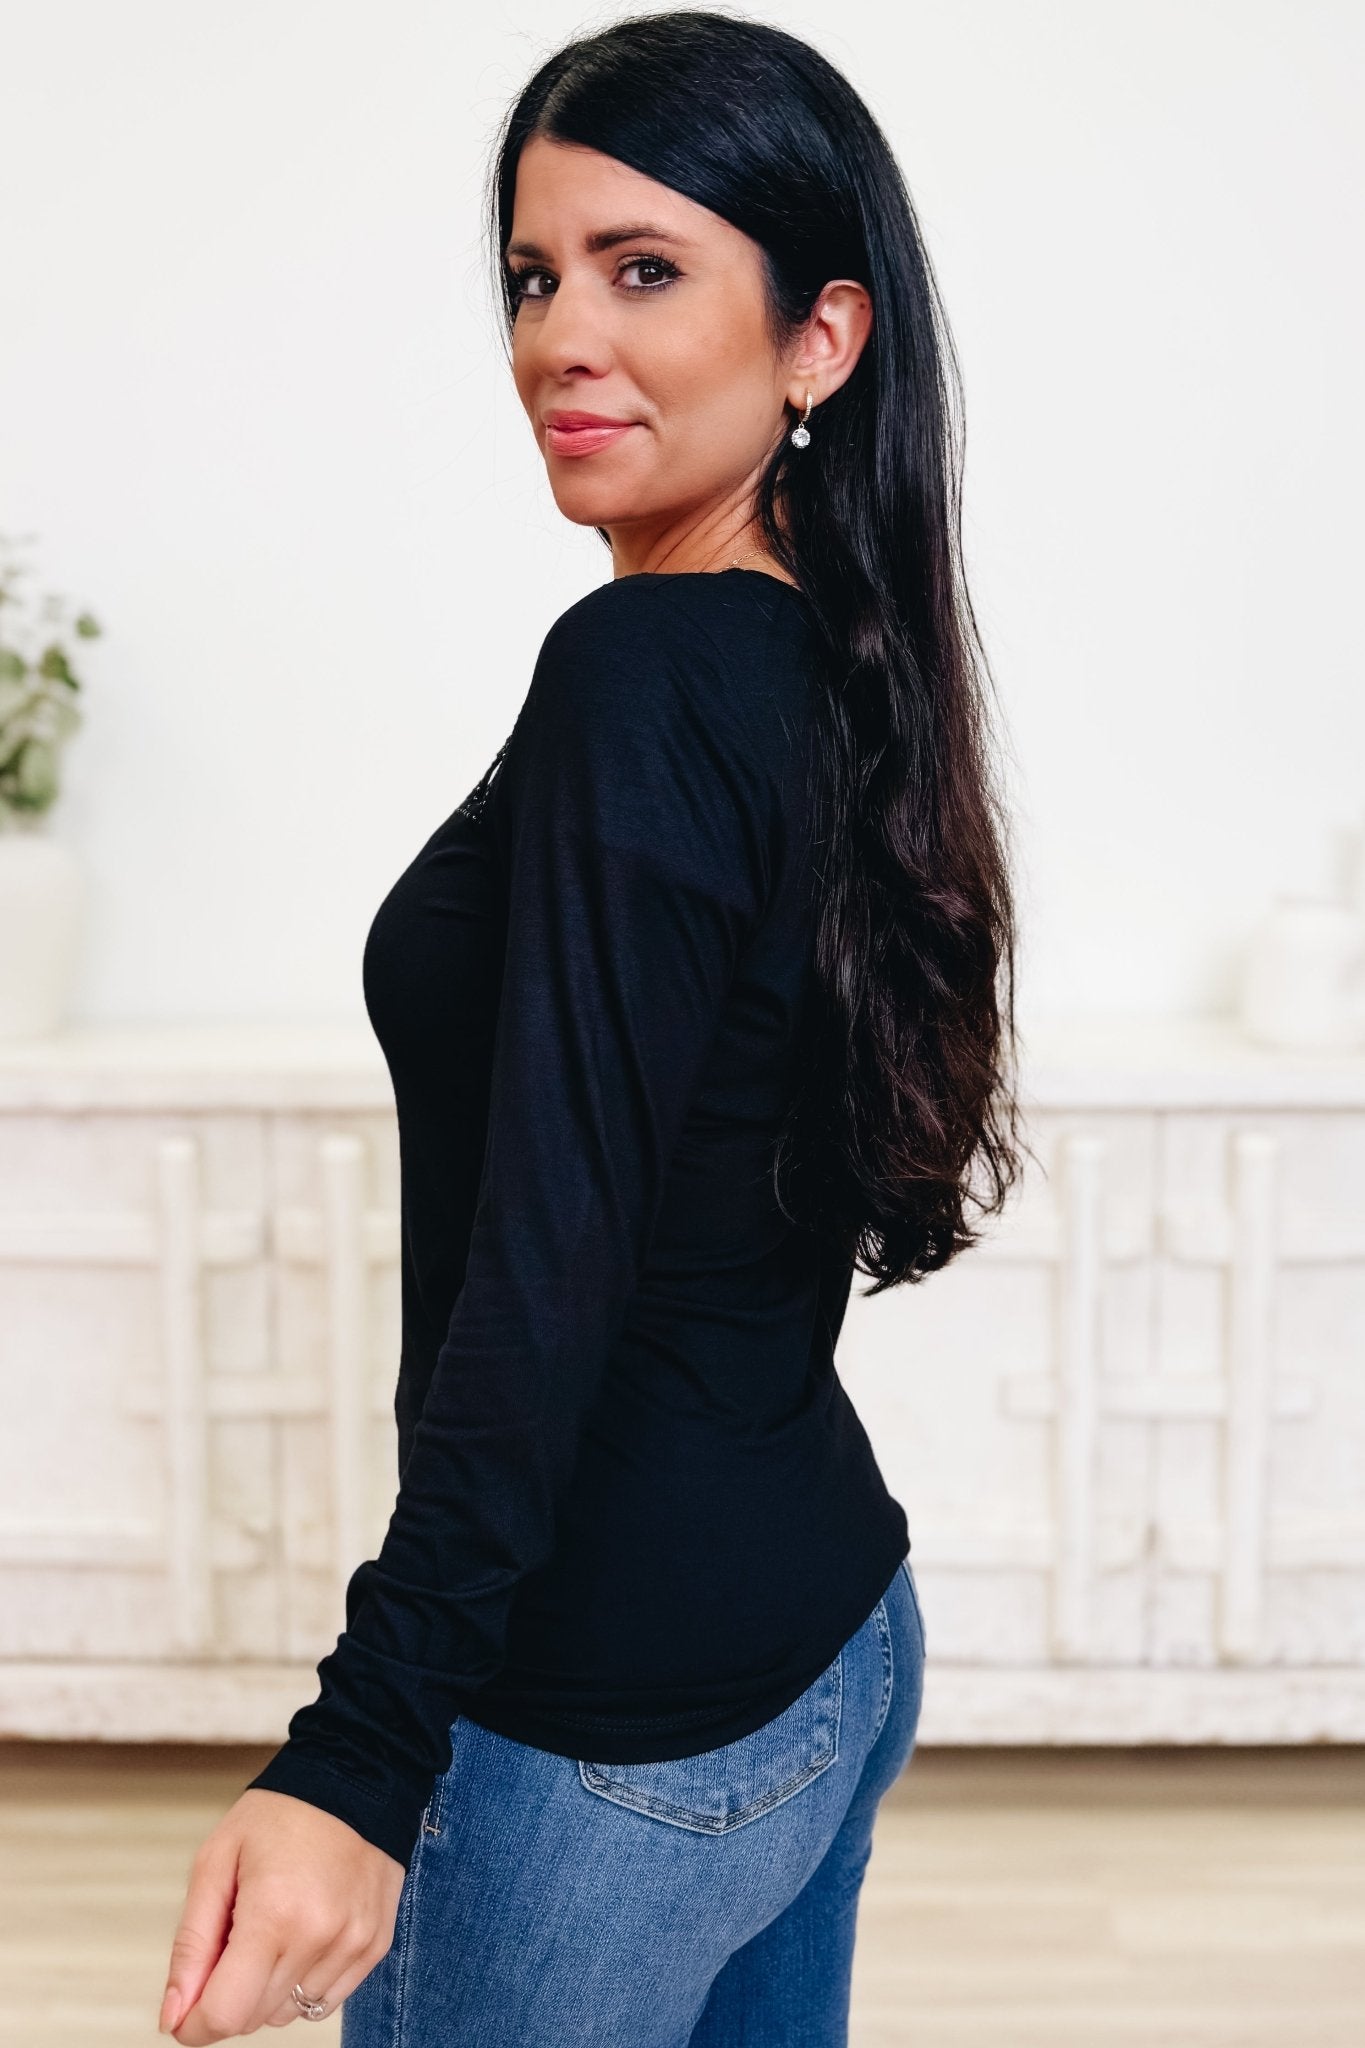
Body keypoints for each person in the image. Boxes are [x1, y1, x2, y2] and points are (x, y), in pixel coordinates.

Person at [158, 10, 1024, 2043]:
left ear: (820, 338)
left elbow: (549, 1266)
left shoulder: (643, 673)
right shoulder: (828, 661)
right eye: (533, 279)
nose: (563, 337)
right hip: (827, 1630)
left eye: (644, 270)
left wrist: (363, 1749)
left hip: (606, 1731)